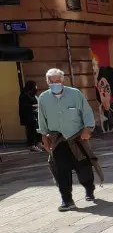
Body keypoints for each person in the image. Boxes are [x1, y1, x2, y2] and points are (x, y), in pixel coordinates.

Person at [37, 68, 97, 211]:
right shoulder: (43, 98)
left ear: (62, 80)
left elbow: (87, 112)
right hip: (57, 140)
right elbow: (42, 118)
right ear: (47, 82)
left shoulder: (75, 94)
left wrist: (88, 128)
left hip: (77, 138)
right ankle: (67, 200)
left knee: (83, 167)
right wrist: (44, 136)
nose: (54, 83)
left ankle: (89, 188)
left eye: (57, 81)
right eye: (51, 81)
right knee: (60, 170)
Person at [19, 80, 43, 152]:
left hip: (35, 115)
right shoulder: (24, 95)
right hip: (29, 116)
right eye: (35, 86)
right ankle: (32, 145)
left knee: (37, 130)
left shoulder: (32, 95)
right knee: (31, 131)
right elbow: (24, 106)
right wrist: (34, 105)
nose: (36, 87)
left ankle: (39, 143)